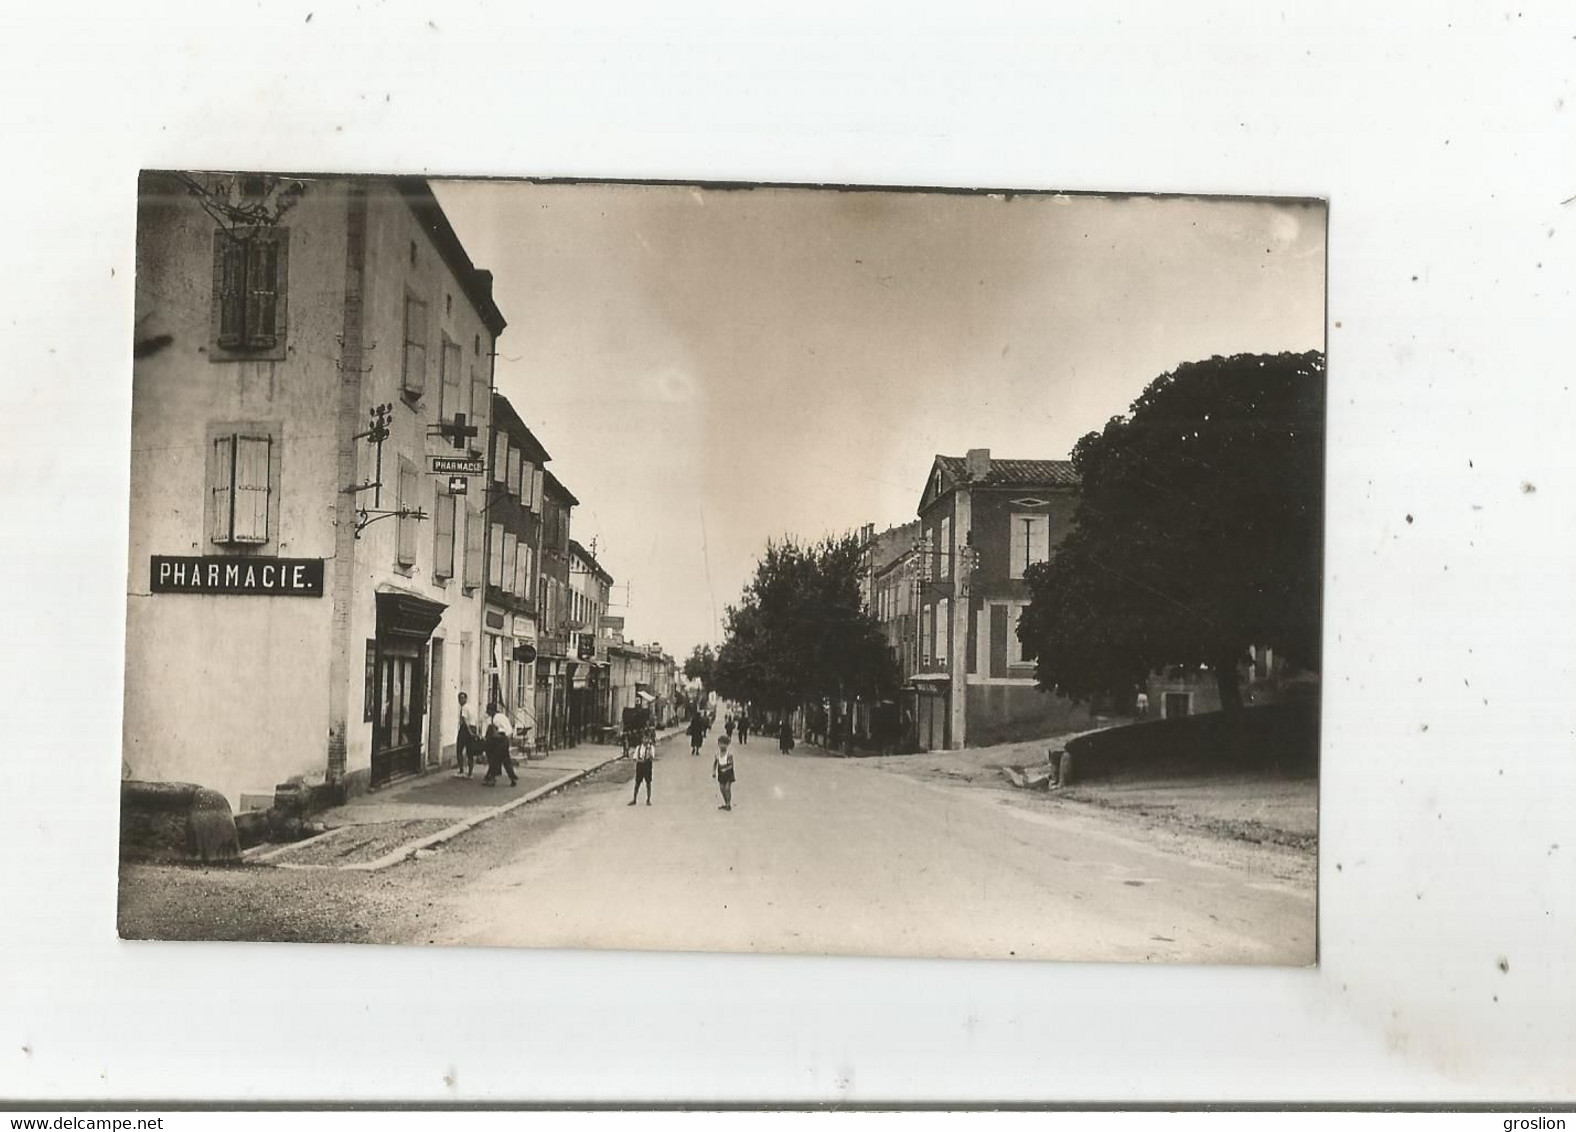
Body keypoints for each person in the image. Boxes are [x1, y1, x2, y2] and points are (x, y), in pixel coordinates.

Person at [482, 701, 518, 787]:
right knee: (506, 760)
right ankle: (512, 777)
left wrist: (497, 733)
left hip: (500, 740)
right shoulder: (501, 716)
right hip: (503, 741)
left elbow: (502, 730)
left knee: (495, 760)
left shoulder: (496, 719)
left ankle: (492, 778)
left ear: (492, 710)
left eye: (489, 710)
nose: (487, 712)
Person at [627, 726, 656, 806]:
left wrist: (649, 750)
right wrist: (640, 760)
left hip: (647, 766)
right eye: (644, 738)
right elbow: (635, 758)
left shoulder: (651, 748)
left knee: (648, 783)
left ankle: (648, 799)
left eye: (647, 738)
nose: (646, 740)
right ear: (642, 739)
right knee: (637, 783)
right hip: (640, 766)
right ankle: (634, 799)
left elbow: (652, 757)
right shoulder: (638, 748)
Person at [455, 691, 478, 777]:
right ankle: (470, 772)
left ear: (465, 699)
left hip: (466, 729)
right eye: (459, 698)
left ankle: (461, 770)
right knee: (470, 751)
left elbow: (464, 721)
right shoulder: (471, 707)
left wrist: (469, 732)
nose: (460, 700)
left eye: (462, 698)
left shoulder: (464, 708)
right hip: (473, 727)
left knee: (459, 749)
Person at [712, 732, 736, 811]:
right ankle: (726, 803)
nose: (722, 746)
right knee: (722, 789)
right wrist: (713, 772)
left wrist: (726, 769)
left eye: (724, 744)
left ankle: (728, 804)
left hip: (728, 773)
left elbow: (731, 765)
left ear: (727, 745)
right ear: (718, 744)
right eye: (721, 744)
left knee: (727, 788)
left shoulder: (729, 754)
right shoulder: (717, 754)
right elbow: (715, 763)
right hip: (721, 773)